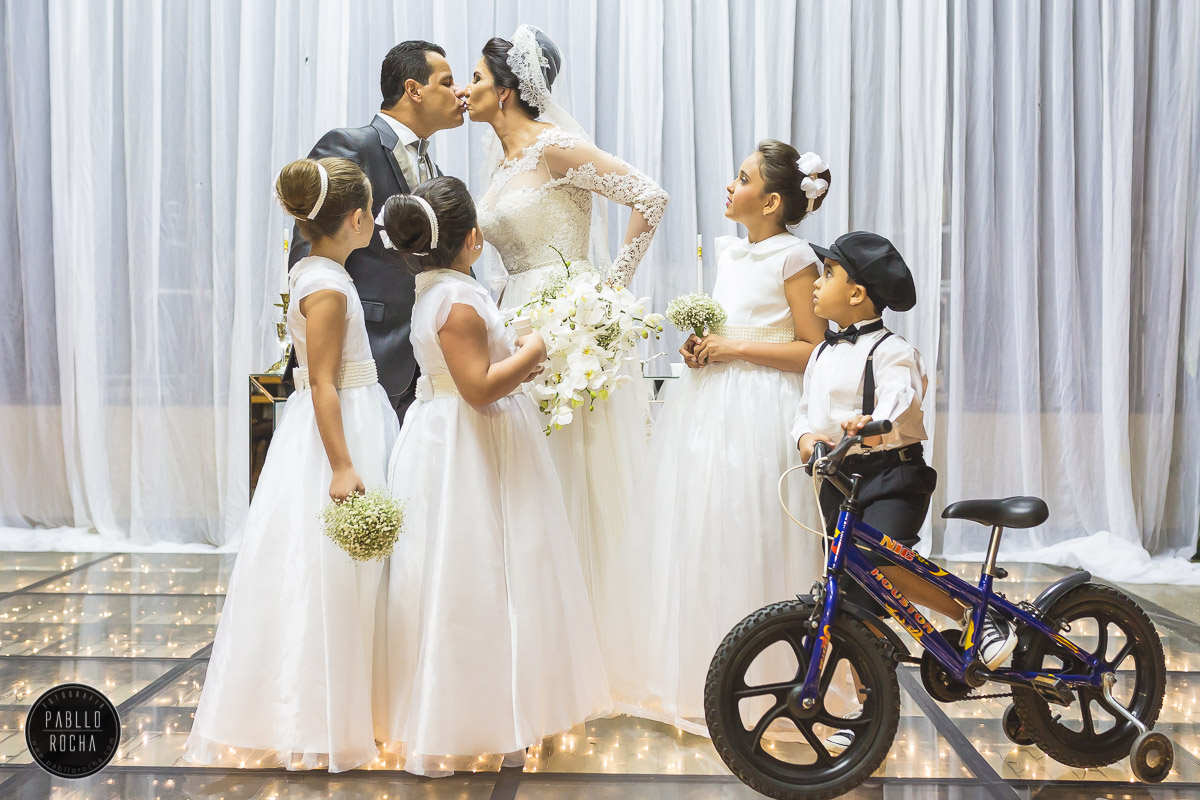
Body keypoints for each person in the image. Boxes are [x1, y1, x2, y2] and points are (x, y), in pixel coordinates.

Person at [373, 177, 611, 776]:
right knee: (479, 571)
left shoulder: (440, 290)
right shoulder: (458, 301)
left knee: (472, 569)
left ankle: (493, 708)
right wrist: (535, 349)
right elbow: (479, 389)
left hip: (448, 436)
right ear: (473, 239)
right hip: (468, 445)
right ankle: (478, 714)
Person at [186, 158, 398, 771]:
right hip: (338, 428)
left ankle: (346, 709)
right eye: (372, 212)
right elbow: (324, 384)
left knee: (330, 573)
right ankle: (324, 717)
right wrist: (342, 465)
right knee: (331, 577)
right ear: (356, 218)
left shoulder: (314, 270)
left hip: (340, 422)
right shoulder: (327, 287)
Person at [613, 143, 832, 734]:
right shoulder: (733, 250)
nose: (729, 185)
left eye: (742, 178)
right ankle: (701, 671)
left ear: (773, 200)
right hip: (708, 403)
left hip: (760, 410)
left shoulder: (795, 258)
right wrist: (702, 345)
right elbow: (729, 322)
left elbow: (814, 349)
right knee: (704, 528)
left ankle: (767, 676)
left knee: (750, 528)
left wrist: (732, 346)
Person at [464, 24, 669, 619]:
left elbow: (650, 198)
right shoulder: (500, 163)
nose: (466, 90)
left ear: (505, 90)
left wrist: (605, 295)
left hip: (567, 324)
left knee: (569, 472)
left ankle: (586, 627)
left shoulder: (555, 145)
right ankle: (531, 621)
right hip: (512, 320)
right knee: (522, 472)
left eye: (475, 78)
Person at [793, 230, 1015, 752]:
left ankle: (974, 617)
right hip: (840, 482)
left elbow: (902, 396)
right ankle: (868, 715)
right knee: (851, 603)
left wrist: (874, 420)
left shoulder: (894, 351)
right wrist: (807, 439)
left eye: (828, 274)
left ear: (857, 293)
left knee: (882, 562)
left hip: (893, 474)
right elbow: (805, 412)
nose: (817, 283)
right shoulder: (821, 354)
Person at [290, 40, 466, 420]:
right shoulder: (351, 145)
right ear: (413, 89)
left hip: (426, 359)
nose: (460, 93)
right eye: (448, 82)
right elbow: (311, 247)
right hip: (364, 355)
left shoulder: (430, 164)